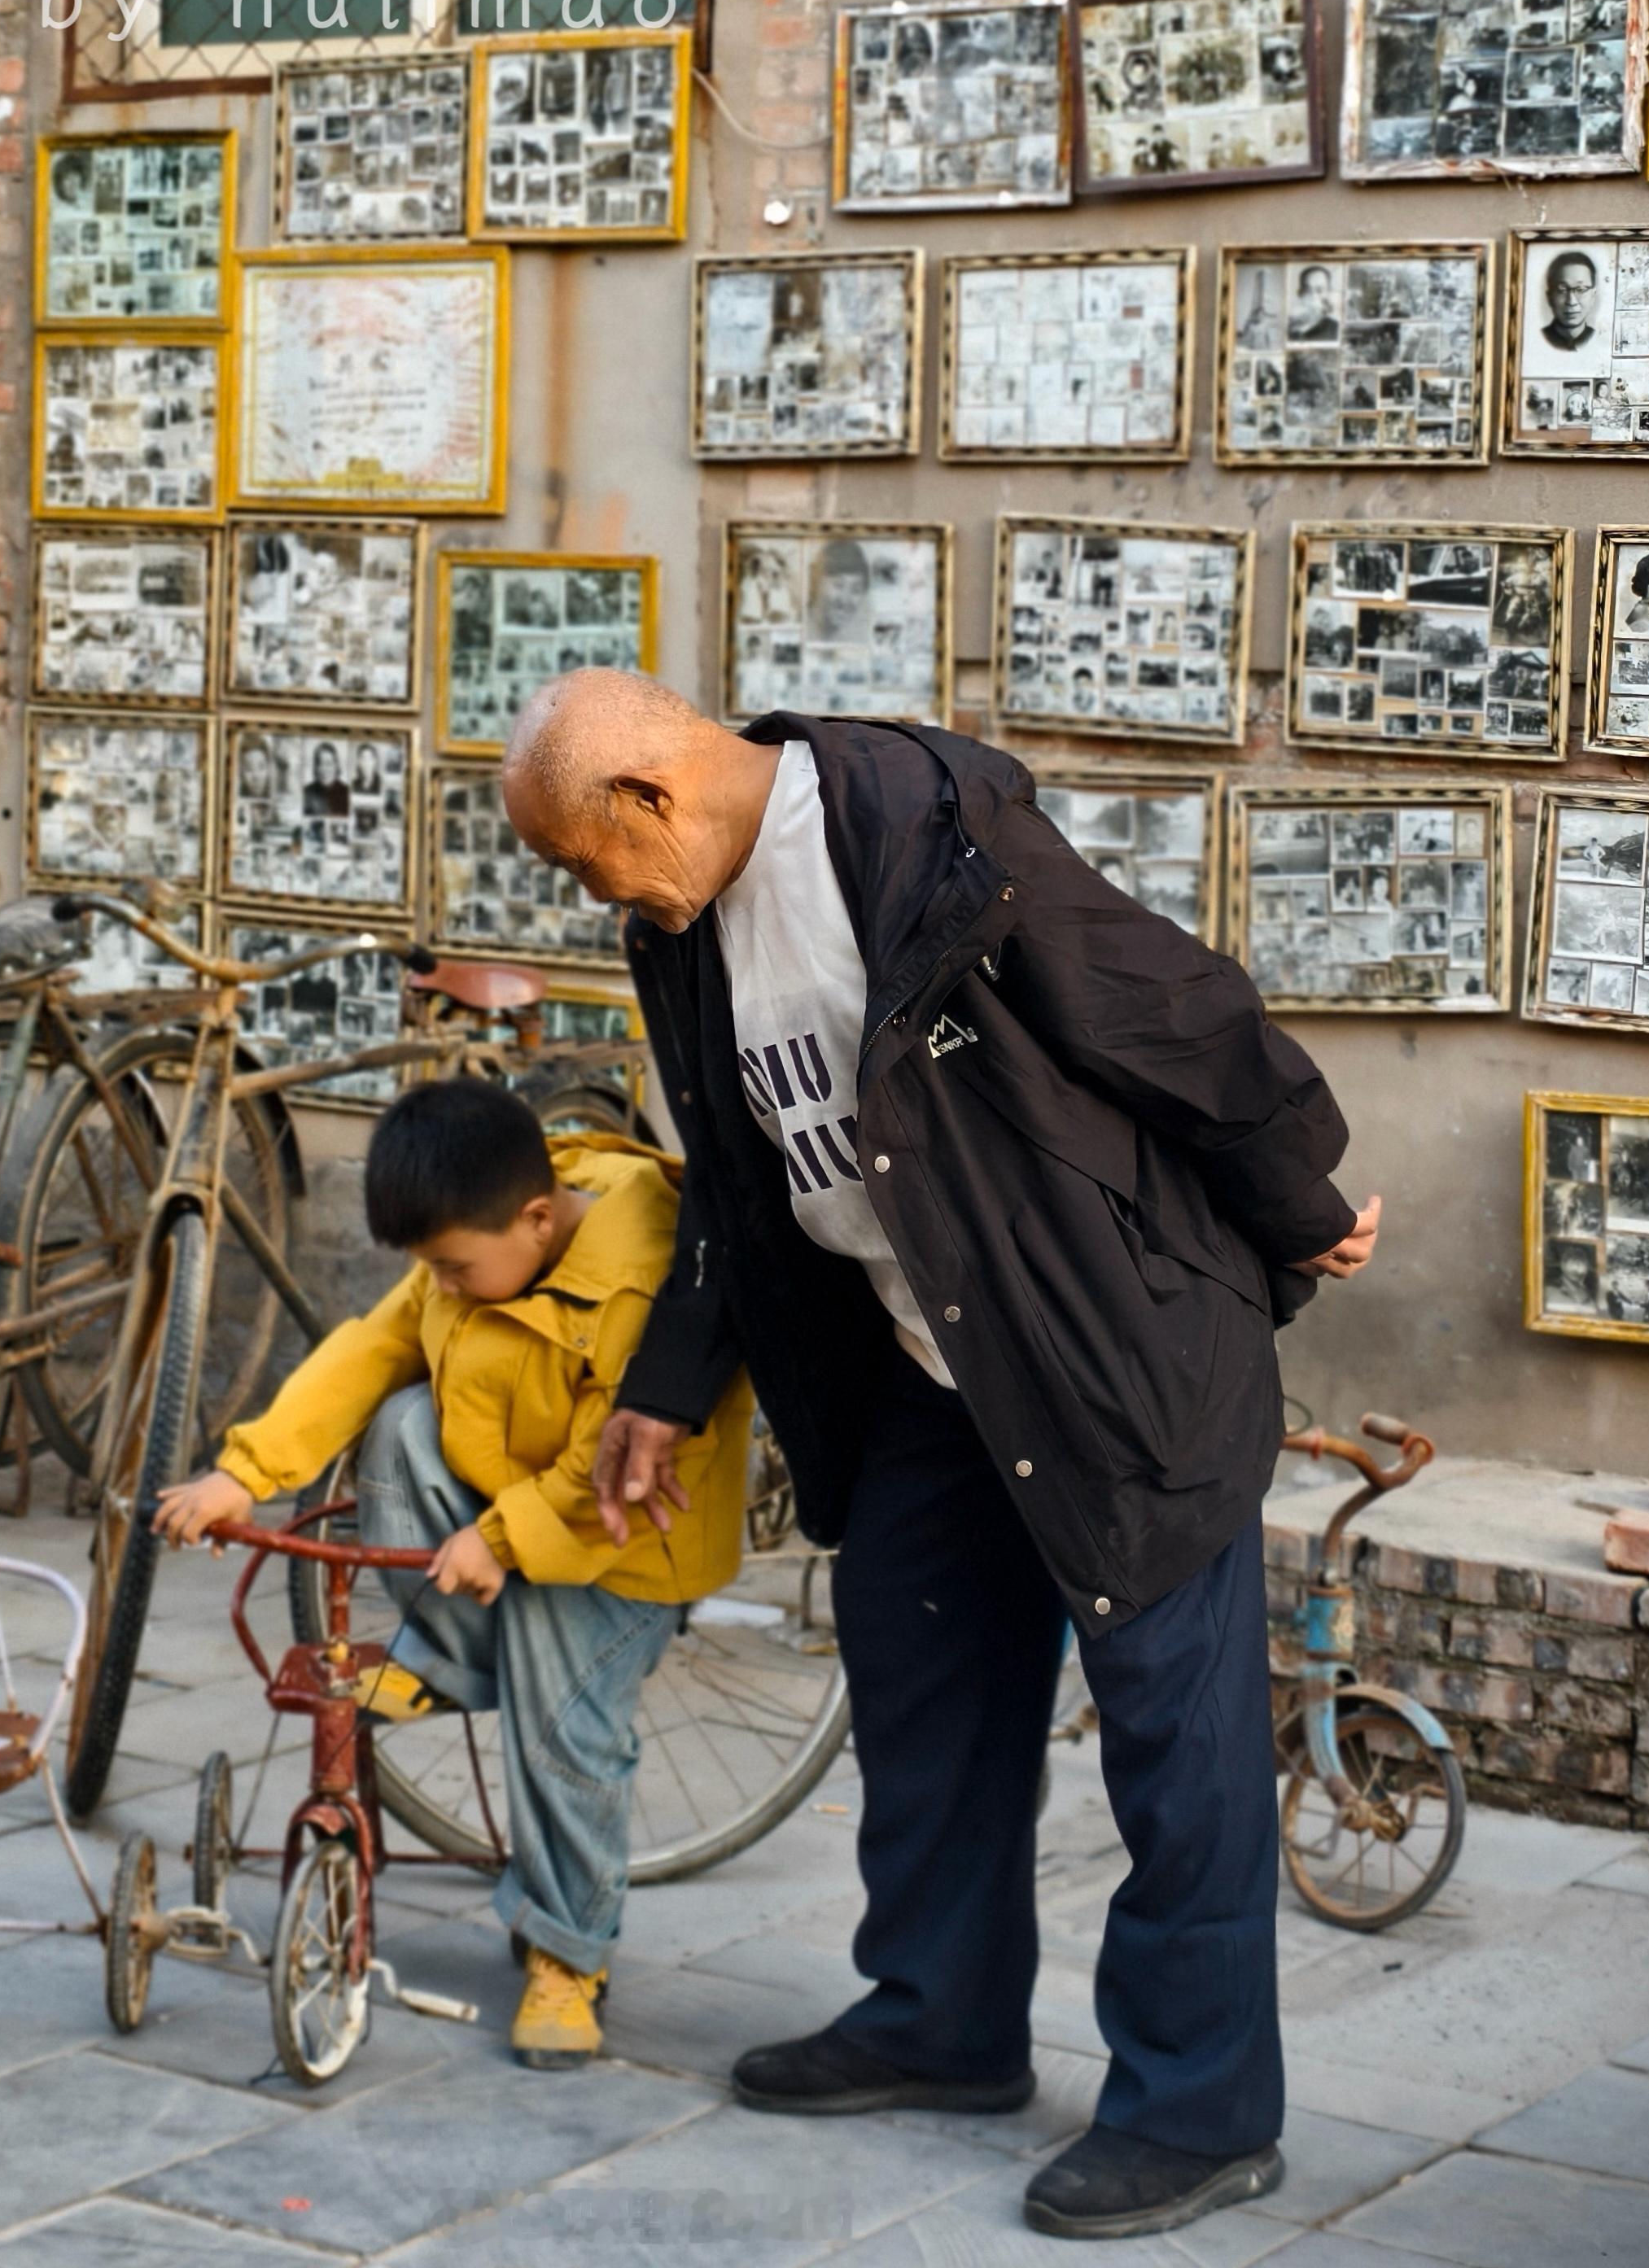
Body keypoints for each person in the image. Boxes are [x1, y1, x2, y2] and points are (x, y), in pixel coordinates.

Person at [501, 671, 1380, 2244]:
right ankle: (942, 2022)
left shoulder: (921, 829)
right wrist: (668, 1381)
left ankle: (1200, 2112)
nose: (594, 896)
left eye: (586, 861)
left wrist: (1304, 1204)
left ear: (647, 796)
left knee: (1174, 1754)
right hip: (923, 1359)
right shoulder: (684, 930)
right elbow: (737, 1177)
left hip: (1104, 1355)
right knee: (922, 1692)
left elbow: (1165, 1006)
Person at [153, 1079, 752, 2072]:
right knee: (397, 1421)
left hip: (621, 1541)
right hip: (510, 1514)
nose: (444, 1282)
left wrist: (505, 1537)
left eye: (454, 1266)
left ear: (536, 1217)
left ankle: (567, 1952)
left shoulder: (640, 1273)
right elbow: (371, 1348)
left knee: (564, 1732)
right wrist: (241, 1474)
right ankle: (452, 1652)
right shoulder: (479, 1242)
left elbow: (616, 1458)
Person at [1541, 251, 1601, 352]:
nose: (1571, 302)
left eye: (1580, 289)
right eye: (1562, 290)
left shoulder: (1601, 339)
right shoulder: (1538, 339)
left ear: (1593, 295)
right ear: (1549, 297)